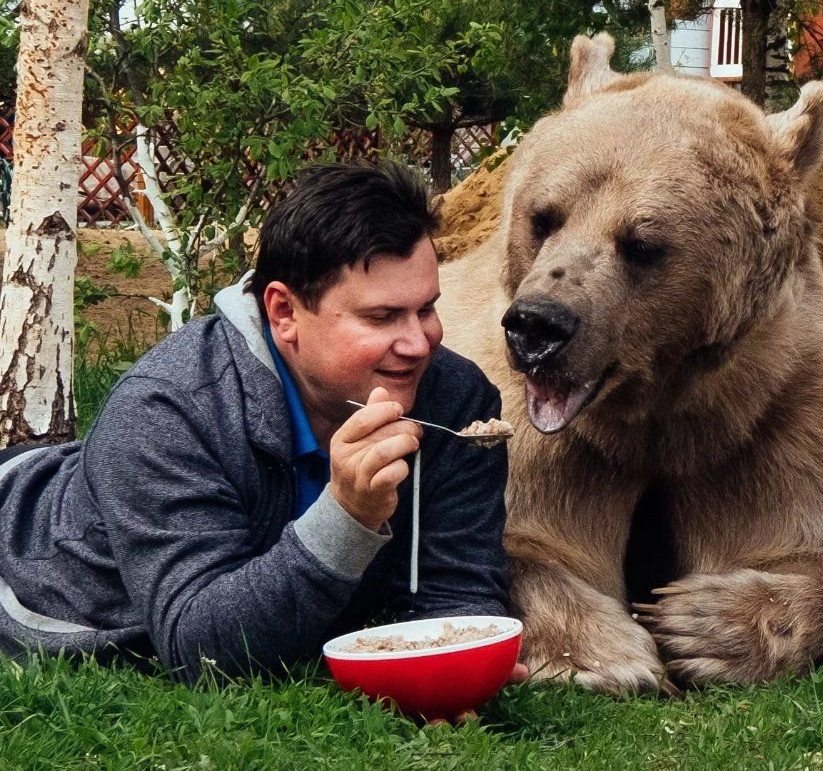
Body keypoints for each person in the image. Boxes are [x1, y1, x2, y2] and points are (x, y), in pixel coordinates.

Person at [0, 162, 519, 685]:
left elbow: (459, 593)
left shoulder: (457, 400)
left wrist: (458, 667)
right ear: (284, 312)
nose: (418, 343)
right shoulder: (166, 409)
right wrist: (347, 519)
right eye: (381, 317)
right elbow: (198, 647)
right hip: (26, 545)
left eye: (426, 308)